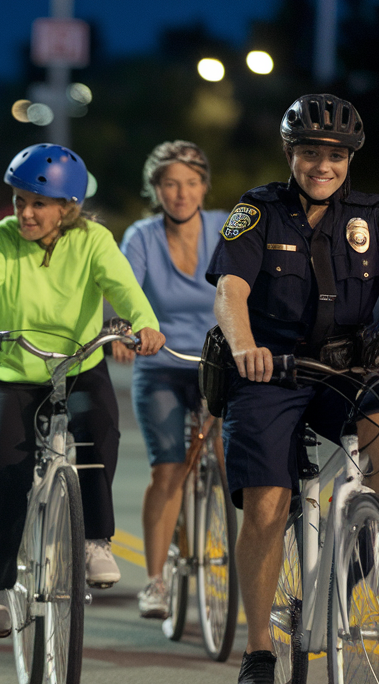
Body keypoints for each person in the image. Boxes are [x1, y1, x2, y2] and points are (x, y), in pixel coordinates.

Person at [207, 94, 379, 684]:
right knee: (268, 507)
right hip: (269, 371)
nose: (320, 165)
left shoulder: (373, 216)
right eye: (308, 153)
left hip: (346, 367)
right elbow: (230, 290)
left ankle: (370, 545)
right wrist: (245, 347)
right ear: (290, 155)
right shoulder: (257, 211)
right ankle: (259, 653)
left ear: (348, 158)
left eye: (333, 155)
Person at [0, 144, 164, 637]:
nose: (25, 212)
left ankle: (95, 540)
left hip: (76, 363)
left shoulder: (93, 240)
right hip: (8, 371)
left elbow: (126, 289)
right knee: (9, 475)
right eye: (19, 200)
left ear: (67, 207)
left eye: (38, 203)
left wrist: (145, 325)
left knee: (101, 427)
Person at [114, 141, 229, 619]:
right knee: (168, 471)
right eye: (169, 184)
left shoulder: (227, 227)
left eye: (190, 183)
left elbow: (251, 287)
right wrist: (123, 330)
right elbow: (125, 290)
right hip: (161, 363)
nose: (180, 194)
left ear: (204, 186)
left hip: (218, 364)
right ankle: (157, 581)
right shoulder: (141, 236)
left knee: (229, 463)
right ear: (155, 190)